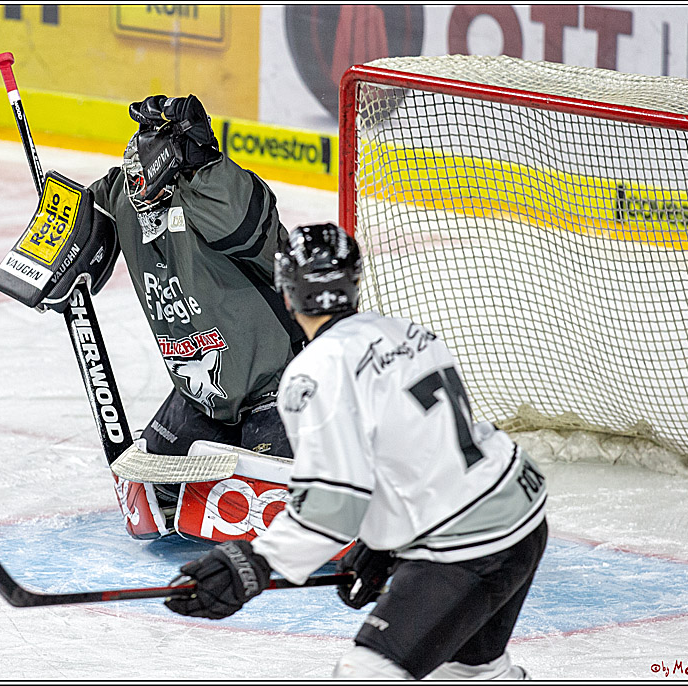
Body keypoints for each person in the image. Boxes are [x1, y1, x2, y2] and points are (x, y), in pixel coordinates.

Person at [164, 222, 549, 680]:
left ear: (287, 293)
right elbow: (416, 454)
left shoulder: (312, 373)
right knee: (471, 672)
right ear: (353, 282)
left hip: (466, 549)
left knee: (365, 673)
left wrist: (255, 563)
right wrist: (381, 544)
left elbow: (331, 507)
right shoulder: (408, 333)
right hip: (521, 515)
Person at [87, 95, 306, 520]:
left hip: (277, 388)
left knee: (282, 510)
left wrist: (204, 161)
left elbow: (244, 225)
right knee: (156, 496)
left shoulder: (215, 202)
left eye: (145, 185)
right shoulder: (122, 200)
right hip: (201, 397)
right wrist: (55, 234)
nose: (138, 197)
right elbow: (79, 221)